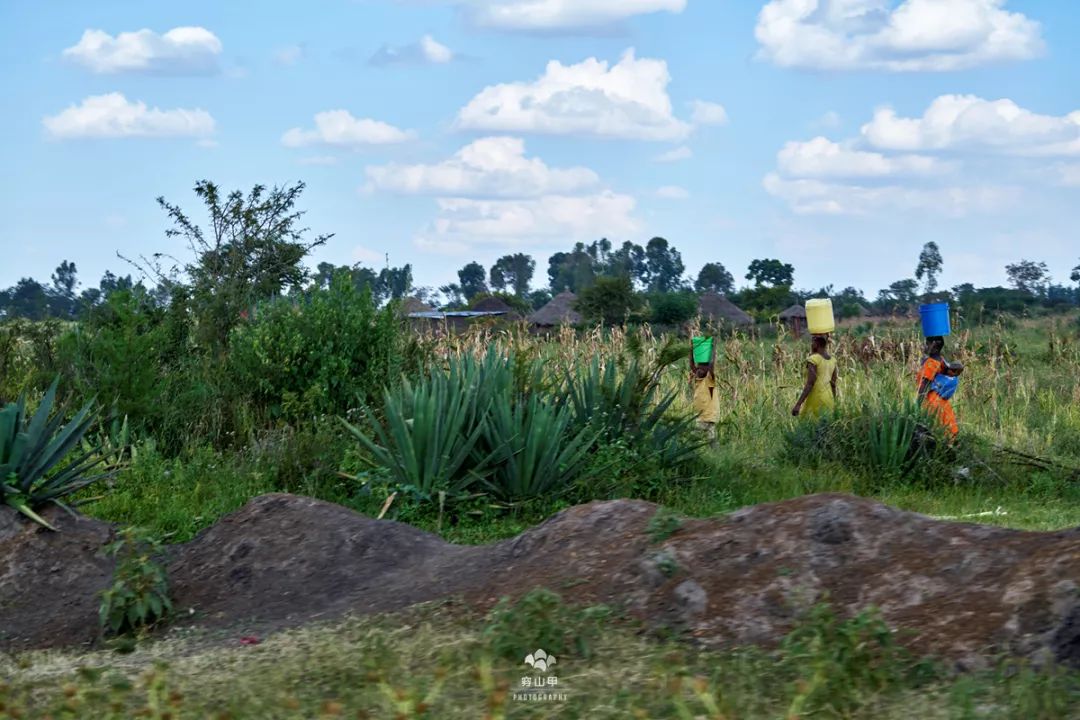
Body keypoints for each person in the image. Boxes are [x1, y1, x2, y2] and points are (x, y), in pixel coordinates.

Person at [917, 336, 962, 438]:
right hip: (940, 401)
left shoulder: (931, 363)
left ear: (934, 345)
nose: (924, 345)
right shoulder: (941, 360)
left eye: (927, 343)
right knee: (946, 429)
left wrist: (918, 405)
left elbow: (924, 385)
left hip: (932, 401)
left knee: (933, 430)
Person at [791, 334, 837, 418]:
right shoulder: (833, 360)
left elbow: (810, 383)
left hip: (816, 397)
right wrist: (834, 401)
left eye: (812, 342)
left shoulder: (813, 359)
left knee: (809, 425)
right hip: (829, 398)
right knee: (825, 427)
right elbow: (833, 384)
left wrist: (798, 404)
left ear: (816, 344)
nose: (811, 345)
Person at [689, 338, 720, 444]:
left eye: (702, 368)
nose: (699, 370)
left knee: (695, 438)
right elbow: (692, 366)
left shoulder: (709, 380)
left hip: (708, 416)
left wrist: (712, 349)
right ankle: (714, 453)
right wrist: (692, 350)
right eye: (698, 368)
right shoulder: (698, 380)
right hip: (701, 416)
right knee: (710, 438)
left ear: (707, 371)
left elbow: (711, 365)